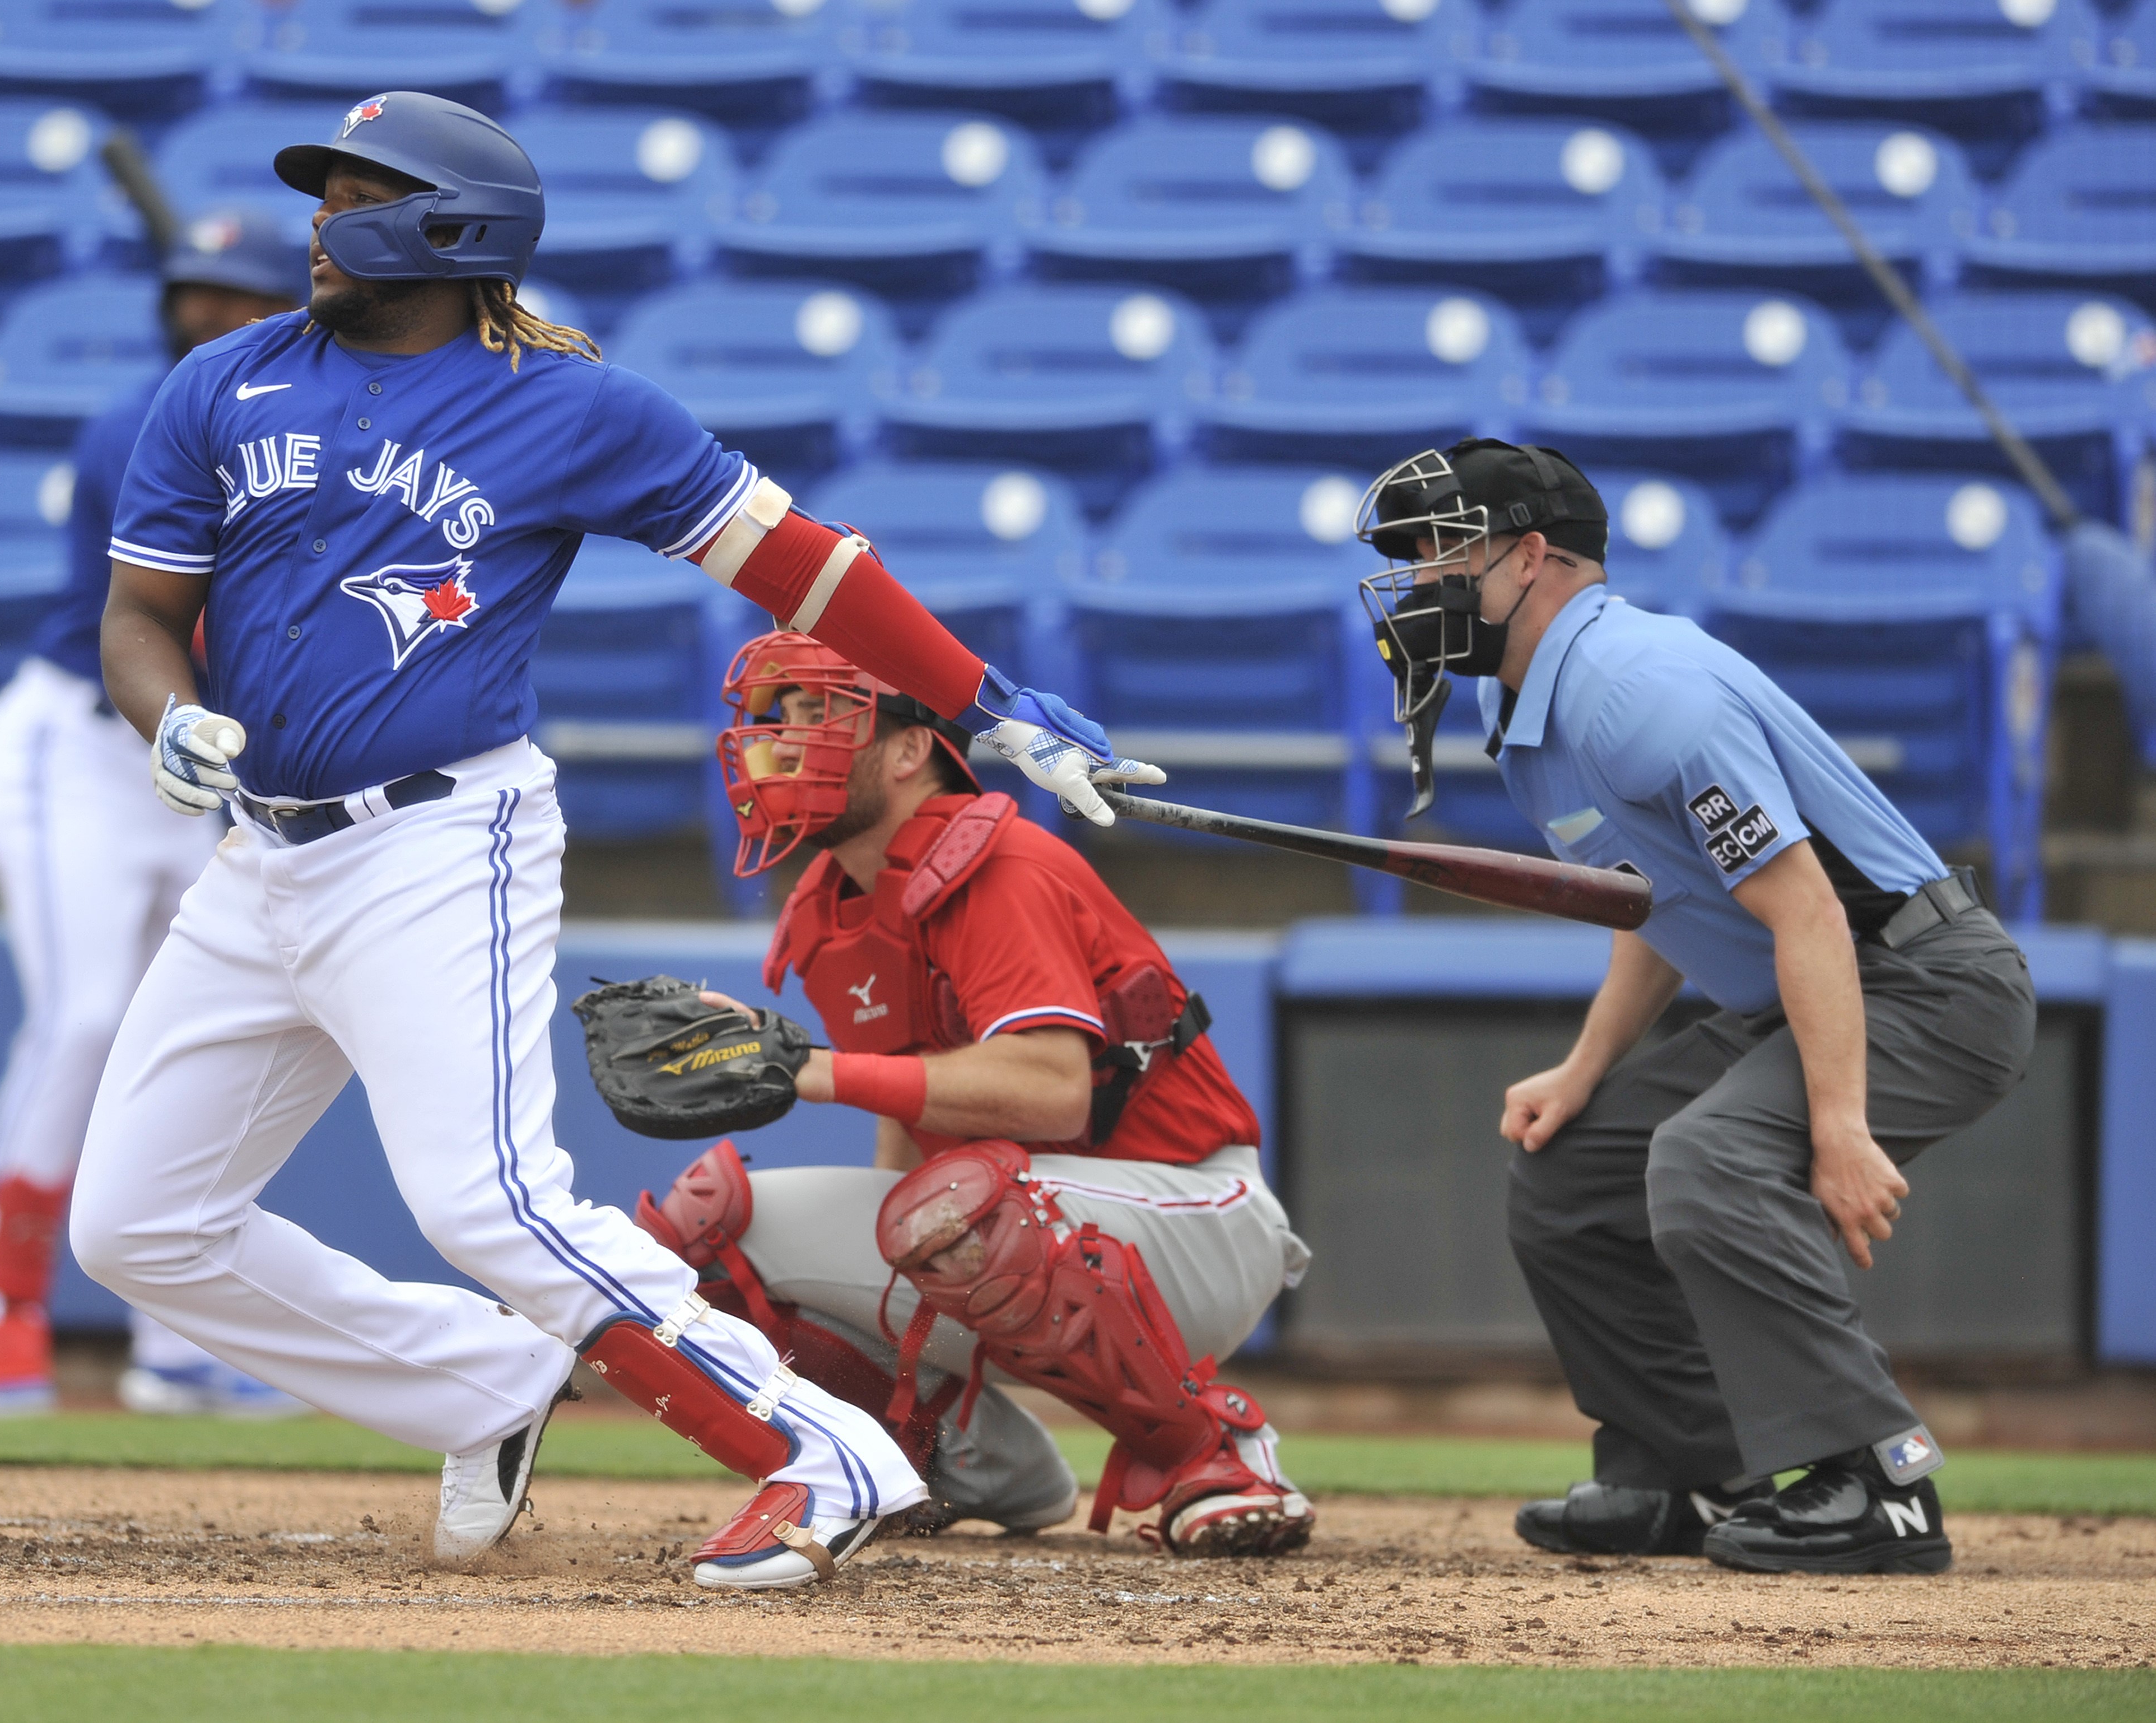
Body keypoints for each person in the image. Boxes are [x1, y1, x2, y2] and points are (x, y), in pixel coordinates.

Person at [67, 90, 1160, 1591]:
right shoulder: (223, 382)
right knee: (137, 1223)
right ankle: (474, 1385)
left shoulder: (569, 405)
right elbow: (138, 616)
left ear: (451, 229)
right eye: (320, 197)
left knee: (488, 1200)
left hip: (437, 843)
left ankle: (824, 1453)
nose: (320, 223)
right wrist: (167, 713)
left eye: (353, 196)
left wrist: (988, 700)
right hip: (261, 856)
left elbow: (798, 563)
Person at [1353, 441, 2036, 1575]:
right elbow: (1661, 906)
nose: (1422, 579)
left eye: (1443, 552)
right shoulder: (1533, 701)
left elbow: (1809, 910)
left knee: (1708, 1158)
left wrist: (1840, 1123)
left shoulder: (1633, 686)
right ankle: (1688, 1469)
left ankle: (1877, 1479)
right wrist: (1584, 1066)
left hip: (1924, 981)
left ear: (1532, 558)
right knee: (1569, 1170)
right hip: (1809, 985)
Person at [632, 632, 1316, 1554]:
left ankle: (1218, 1449)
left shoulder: (998, 865)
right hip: (1030, 1212)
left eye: (820, 716)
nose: (786, 741)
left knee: (966, 1204)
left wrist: (811, 1069)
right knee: (702, 1235)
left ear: (912, 747)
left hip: (1196, 1213)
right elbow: (914, 1131)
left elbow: (1055, 1095)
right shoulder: (838, 903)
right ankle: (954, 1460)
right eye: (778, 719)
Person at [0, 207, 307, 1419]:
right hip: (84, 742)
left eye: (234, 296)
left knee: (170, 1041)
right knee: (86, 1015)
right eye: (191, 294)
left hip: (200, 762)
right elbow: (187, 616)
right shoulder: (137, 425)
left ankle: (174, 1342)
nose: (204, 313)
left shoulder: (315, 426)